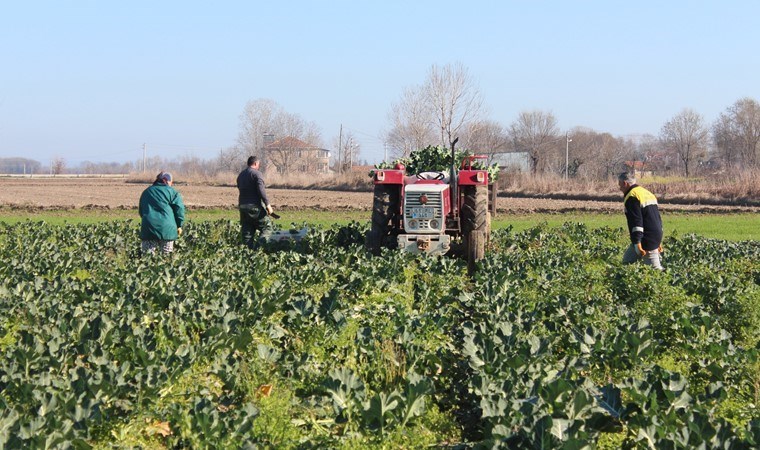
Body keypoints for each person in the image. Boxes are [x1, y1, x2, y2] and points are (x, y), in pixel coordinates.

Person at [618, 171, 664, 270]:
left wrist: (637, 242)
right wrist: (659, 239)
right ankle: (622, 283)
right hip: (655, 234)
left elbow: (636, 221)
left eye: (620, 184)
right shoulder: (646, 193)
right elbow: (657, 218)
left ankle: (670, 282)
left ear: (625, 183)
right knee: (627, 262)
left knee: (655, 270)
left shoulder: (632, 196)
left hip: (647, 238)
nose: (619, 188)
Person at [139, 171, 185, 254]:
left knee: (147, 260)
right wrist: (179, 225)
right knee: (166, 258)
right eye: (171, 182)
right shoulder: (173, 192)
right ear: (167, 180)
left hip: (149, 229)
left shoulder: (146, 192)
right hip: (168, 230)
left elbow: (141, 211)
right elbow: (179, 210)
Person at [237, 156, 274, 248]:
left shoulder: (241, 175)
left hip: (242, 207)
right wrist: (268, 205)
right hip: (254, 207)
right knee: (267, 228)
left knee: (247, 233)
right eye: (258, 165)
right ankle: (257, 249)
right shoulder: (257, 174)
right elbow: (261, 190)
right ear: (256, 164)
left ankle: (247, 254)